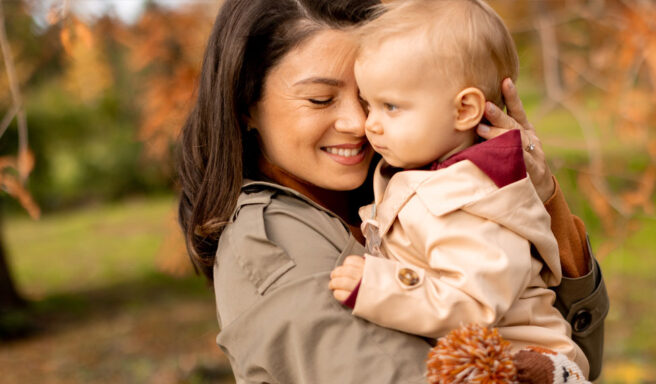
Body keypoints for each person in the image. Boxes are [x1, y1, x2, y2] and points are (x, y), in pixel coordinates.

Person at [176, 0, 608, 382]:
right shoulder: (273, 243)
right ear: (246, 105)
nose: (360, 123)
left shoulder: (405, 187)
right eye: (321, 100)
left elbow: (572, 354)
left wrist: (540, 192)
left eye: (374, 100)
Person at [326, 0, 588, 376]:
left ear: (464, 110)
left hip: (526, 363)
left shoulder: (472, 200)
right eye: (370, 105)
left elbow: (477, 304)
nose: (370, 125)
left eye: (392, 107)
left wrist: (378, 286)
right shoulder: (431, 175)